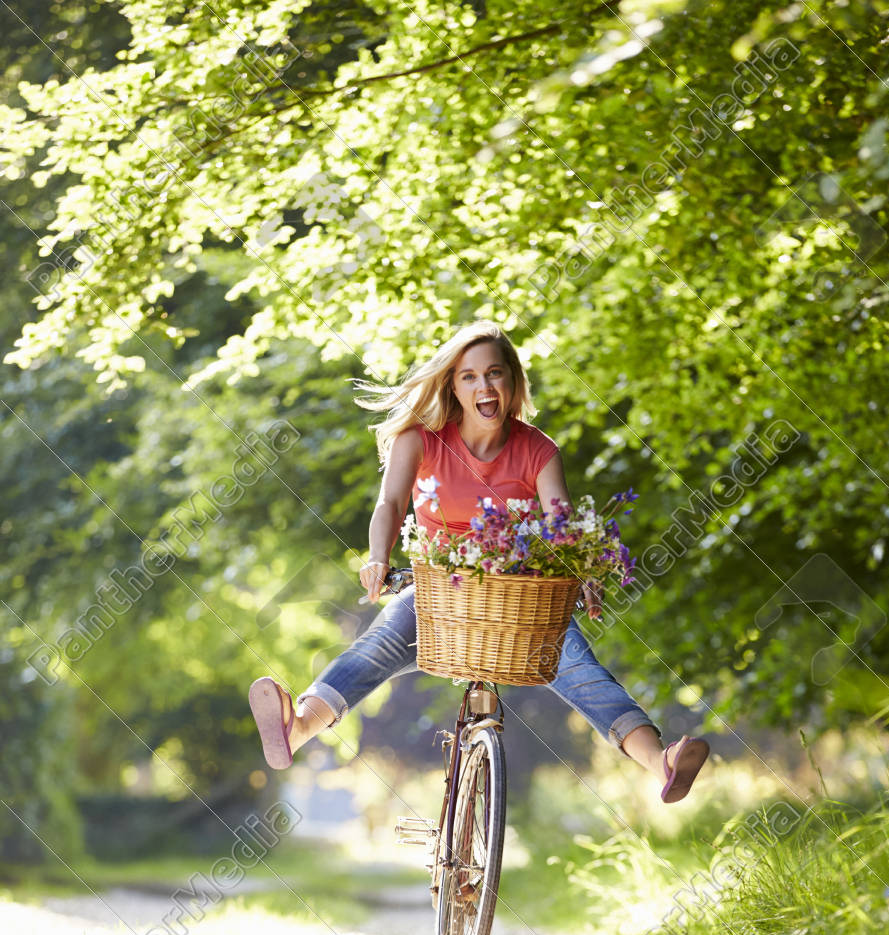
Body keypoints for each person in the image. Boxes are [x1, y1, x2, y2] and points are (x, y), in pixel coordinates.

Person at [248, 321, 709, 802]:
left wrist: (586, 570)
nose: (483, 386)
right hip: (438, 594)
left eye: (494, 373)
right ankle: (298, 727)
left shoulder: (537, 449)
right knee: (378, 645)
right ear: (453, 385)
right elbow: (389, 505)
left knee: (580, 668)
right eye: (469, 377)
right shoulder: (421, 440)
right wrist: (378, 557)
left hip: (519, 597)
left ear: (512, 381)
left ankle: (662, 763)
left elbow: (560, 523)